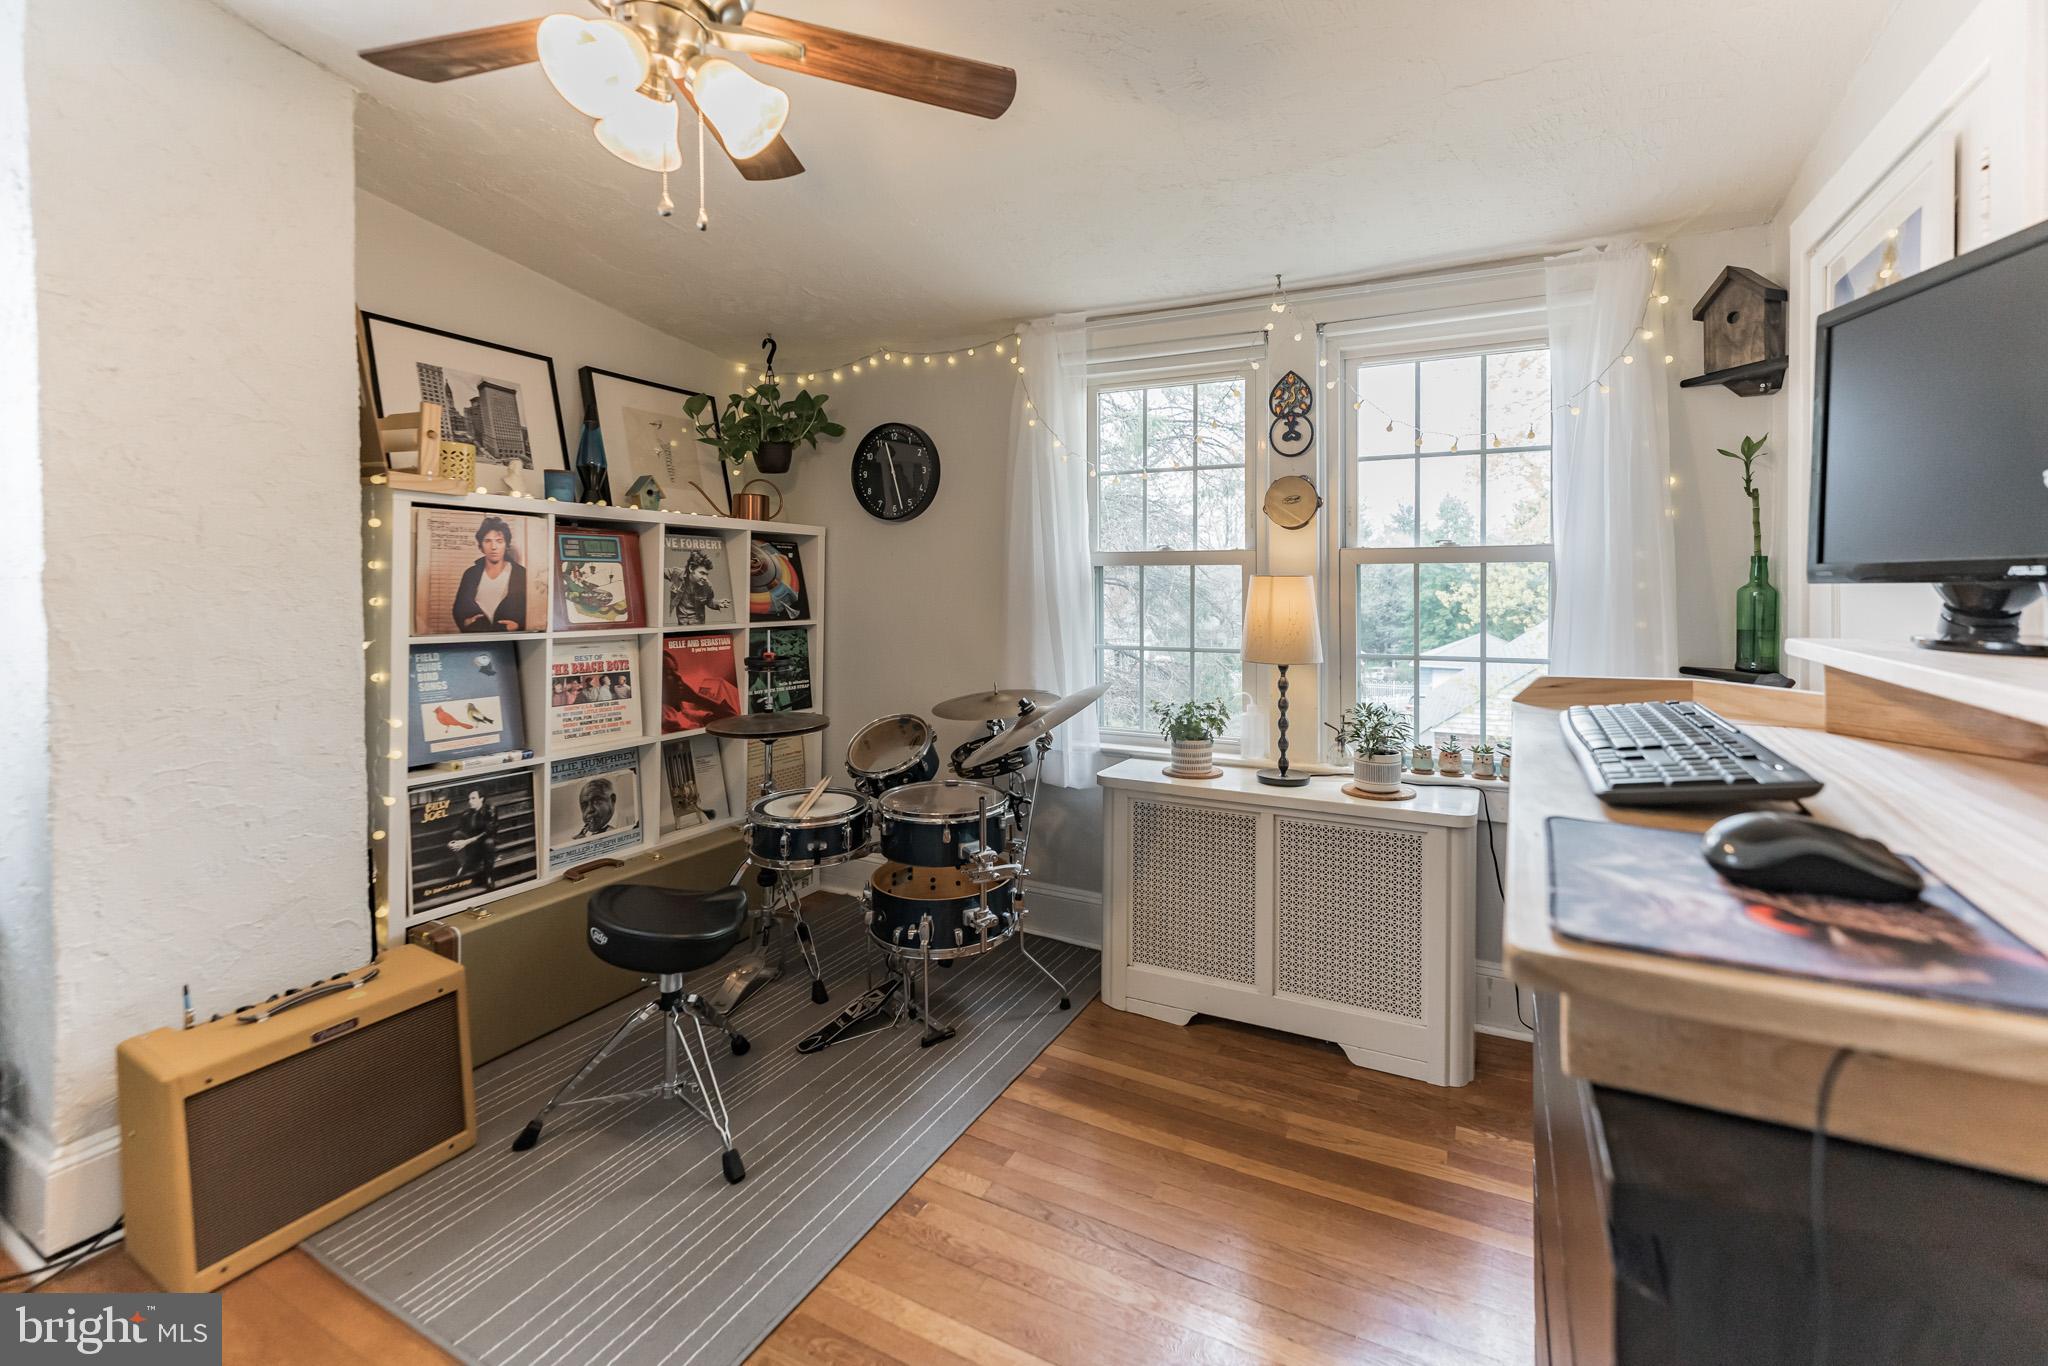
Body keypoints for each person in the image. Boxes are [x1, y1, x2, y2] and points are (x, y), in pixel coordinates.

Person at [451, 516, 527, 632]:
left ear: (506, 545)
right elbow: (458, 609)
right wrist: (465, 623)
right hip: (477, 636)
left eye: (499, 541)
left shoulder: (521, 573)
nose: (493, 547)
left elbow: (531, 609)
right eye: (487, 541)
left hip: (510, 637)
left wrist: (518, 626)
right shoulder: (470, 574)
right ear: (481, 547)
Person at [446, 789, 499, 889]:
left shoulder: (491, 810)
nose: (470, 801)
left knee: (489, 842)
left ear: (481, 799)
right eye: (469, 799)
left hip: (486, 842)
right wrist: (451, 843)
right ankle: (465, 865)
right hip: (474, 845)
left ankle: (489, 876)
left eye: (473, 798)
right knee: (456, 834)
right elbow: (458, 830)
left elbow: (488, 832)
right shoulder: (467, 814)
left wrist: (466, 842)